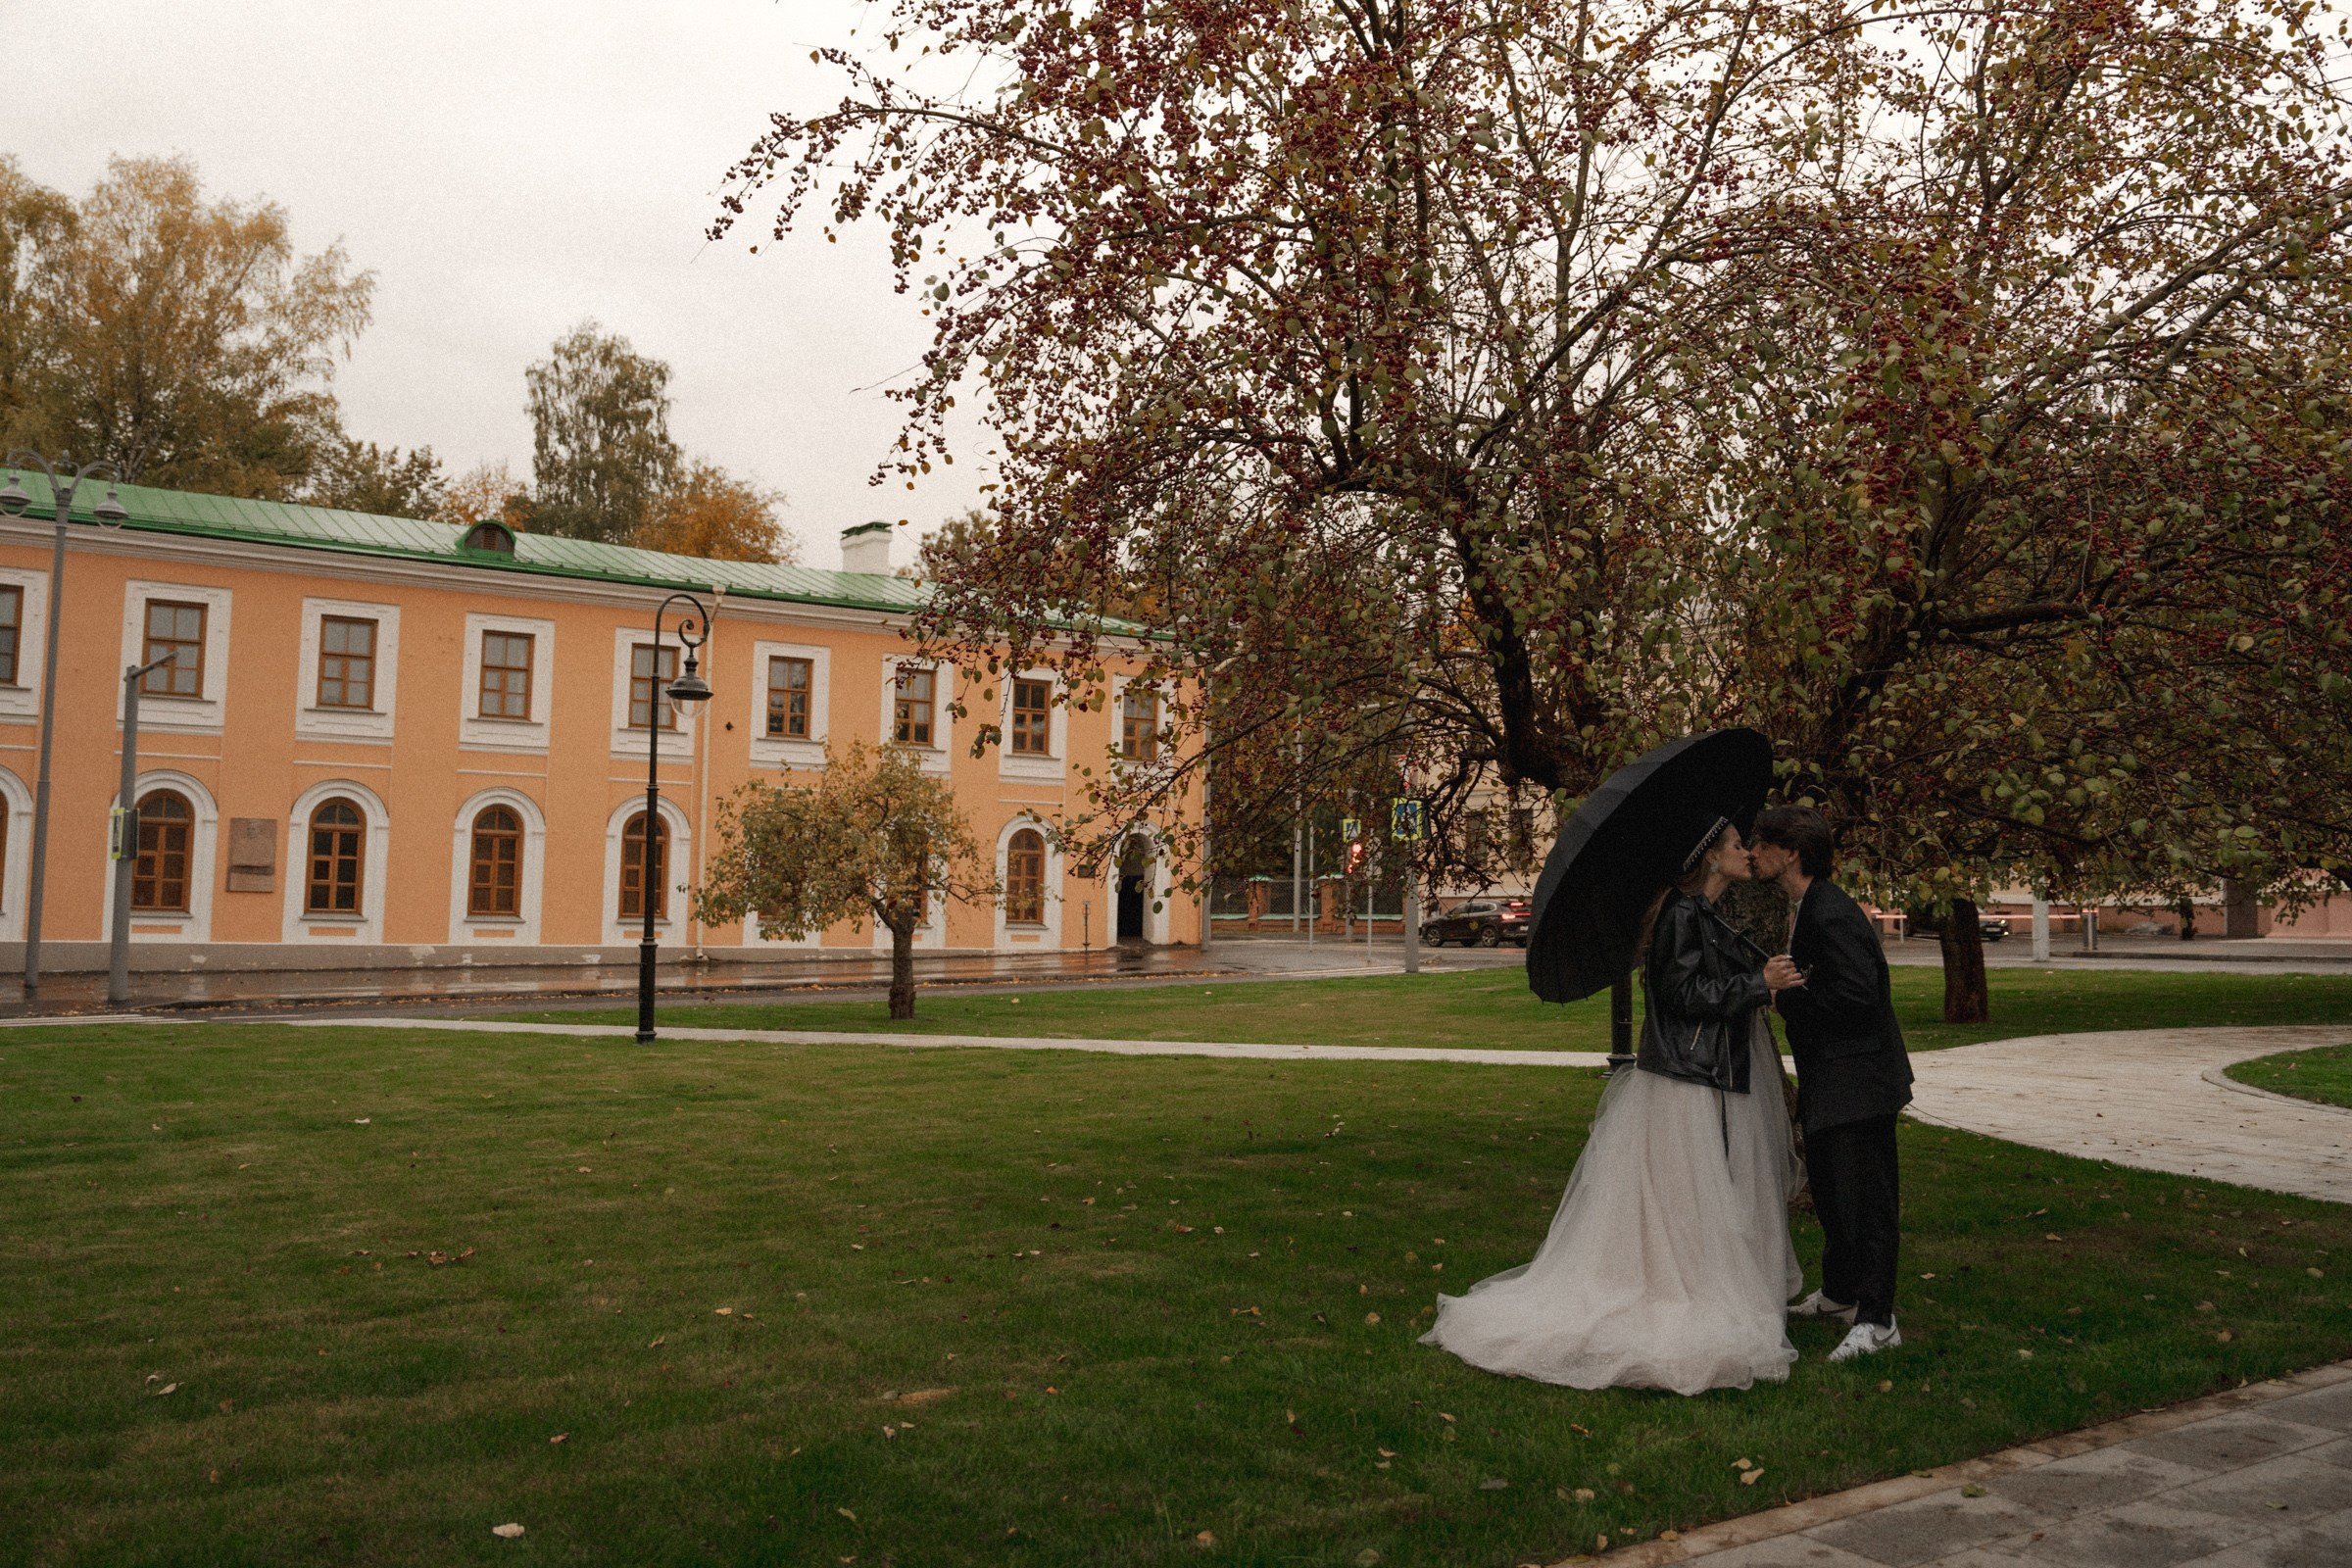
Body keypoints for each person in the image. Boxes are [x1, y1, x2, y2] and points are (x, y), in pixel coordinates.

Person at [1421, 819, 1802, 1395]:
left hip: (1701, 1071)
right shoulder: (1680, 914)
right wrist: (1754, 984)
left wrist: (1758, 979)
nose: (1746, 852)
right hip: (1684, 1077)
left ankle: (1696, 1282)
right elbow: (1678, 995)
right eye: (1734, 845)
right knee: (1681, 1192)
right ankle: (1679, 1290)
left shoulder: (1703, 913)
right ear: (1709, 857)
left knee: (1691, 1193)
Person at [1750, 805, 1913, 1362]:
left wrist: (1789, 999)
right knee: (1834, 1195)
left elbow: (1860, 997)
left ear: (1791, 853)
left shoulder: (1831, 912)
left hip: (1859, 1082)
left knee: (1866, 1203)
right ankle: (1841, 1294)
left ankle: (1878, 1320)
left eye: (1763, 844)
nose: (1754, 853)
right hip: (1834, 1078)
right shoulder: (1809, 906)